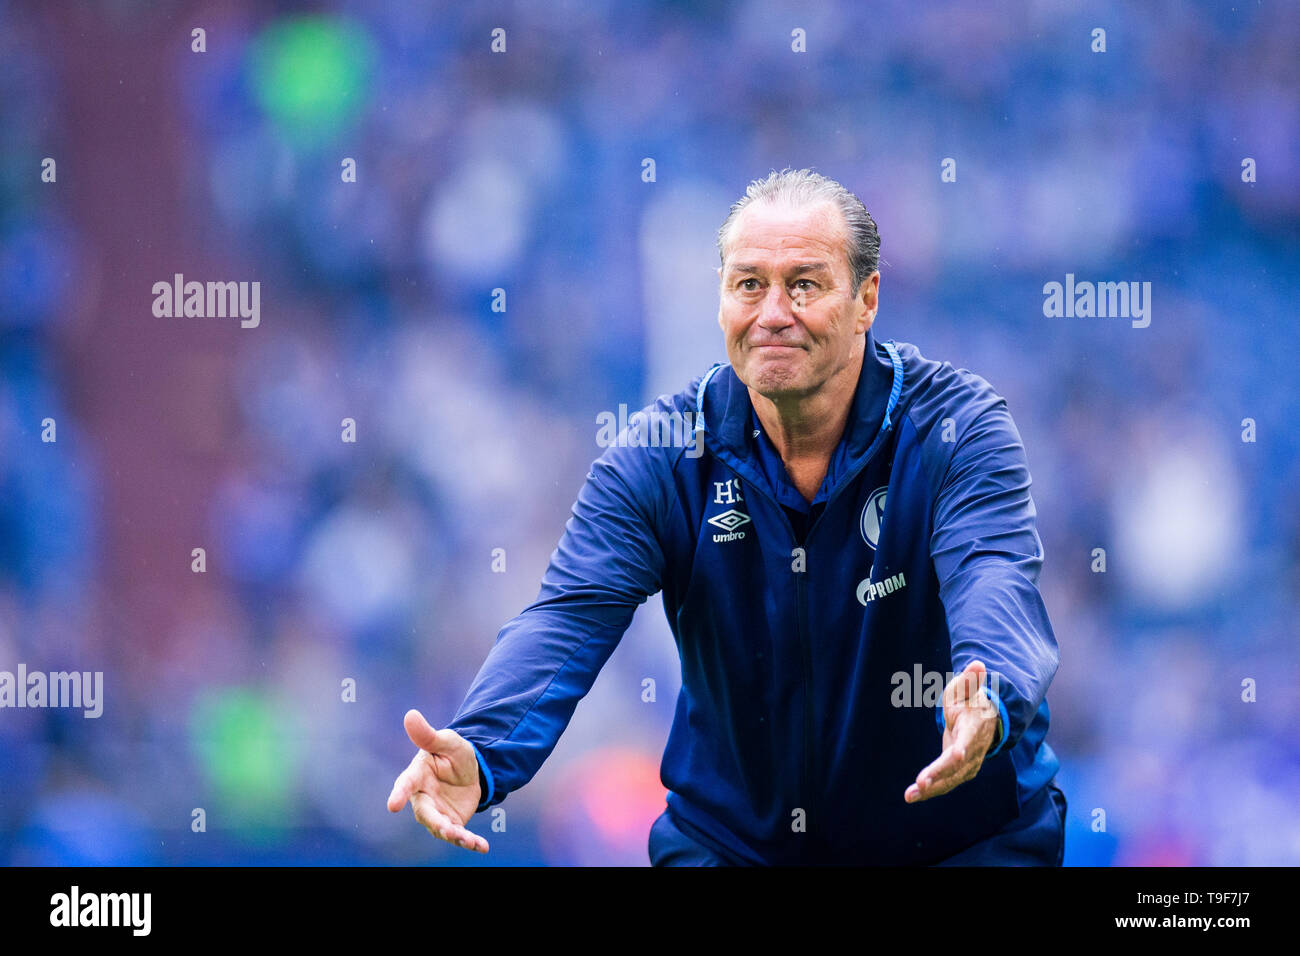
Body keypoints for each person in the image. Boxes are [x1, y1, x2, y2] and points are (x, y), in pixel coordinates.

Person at [387, 168, 1066, 865]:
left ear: (866, 300)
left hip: (961, 840)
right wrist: (483, 745)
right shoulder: (659, 455)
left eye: (804, 284)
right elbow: (567, 617)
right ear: (720, 301)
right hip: (736, 846)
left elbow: (992, 576)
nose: (773, 312)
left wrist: (991, 694)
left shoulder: (955, 426)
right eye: (749, 284)